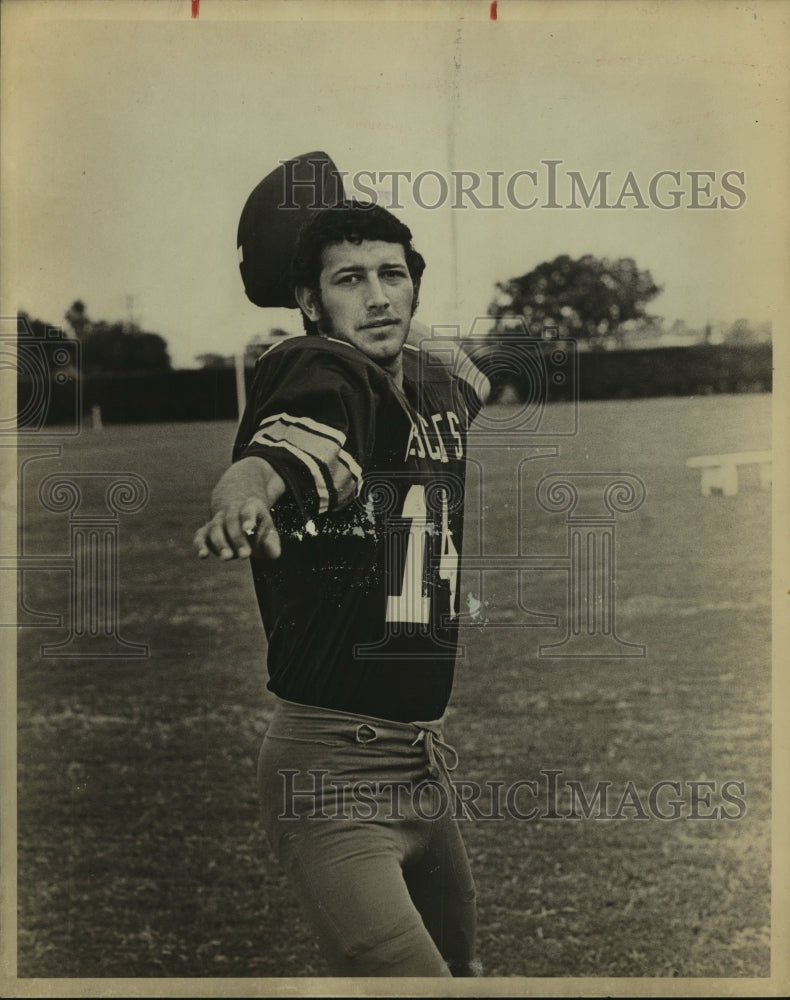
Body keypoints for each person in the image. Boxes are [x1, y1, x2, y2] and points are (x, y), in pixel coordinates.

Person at [193, 199, 489, 977]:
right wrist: (243, 494)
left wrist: (362, 291)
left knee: (462, 978)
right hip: (330, 779)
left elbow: (476, 378)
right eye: (350, 280)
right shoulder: (317, 367)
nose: (380, 295)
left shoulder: (429, 389)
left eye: (393, 277)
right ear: (308, 303)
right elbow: (290, 446)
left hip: (422, 766)